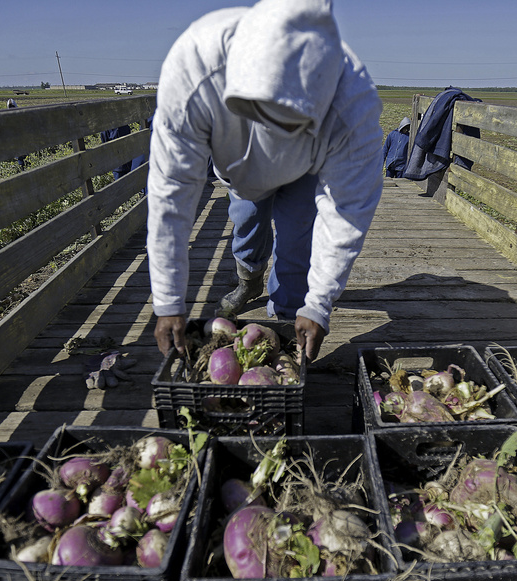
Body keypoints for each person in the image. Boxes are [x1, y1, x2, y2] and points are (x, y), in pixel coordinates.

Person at [146, 0, 383, 363]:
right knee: (248, 226)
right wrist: (167, 301)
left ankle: (288, 321)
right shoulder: (195, 64)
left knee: (296, 239)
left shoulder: (354, 102)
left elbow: (346, 212)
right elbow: (171, 194)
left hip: (307, 170)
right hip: (240, 168)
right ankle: (249, 277)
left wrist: (317, 306)